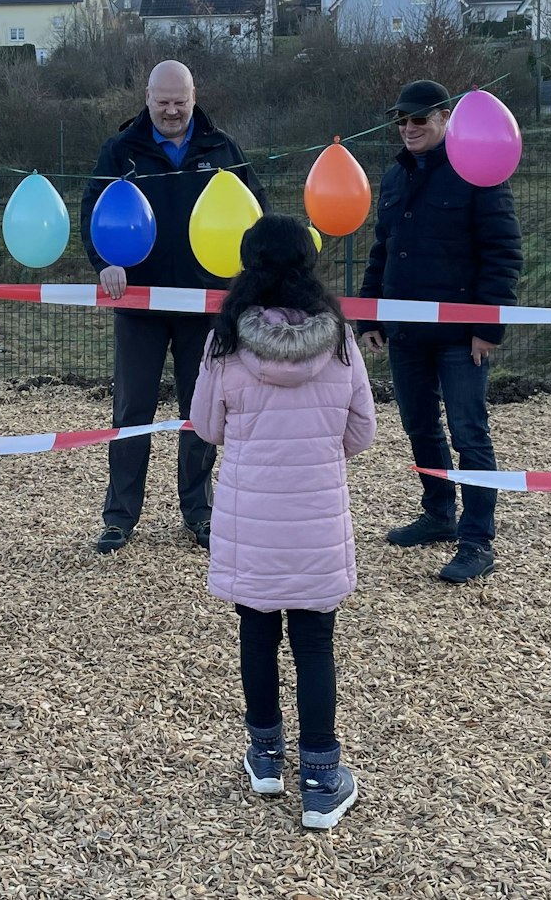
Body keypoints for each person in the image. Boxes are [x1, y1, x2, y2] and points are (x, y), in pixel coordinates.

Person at [191, 215, 376, 830]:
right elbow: (362, 432)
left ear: (247, 266)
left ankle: (266, 757)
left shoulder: (224, 344)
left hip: (251, 516)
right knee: (316, 642)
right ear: (308, 264)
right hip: (318, 514)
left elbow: (207, 428)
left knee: (256, 633)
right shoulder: (341, 341)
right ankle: (323, 777)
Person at [79, 59, 266, 554]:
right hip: (137, 302)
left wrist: (250, 276)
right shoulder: (121, 150)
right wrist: (103, 262)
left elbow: (255, 212)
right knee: (131, 410)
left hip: (206, 304)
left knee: (201, 412)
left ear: (193, 95)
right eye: (162, 102)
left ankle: (201, 513)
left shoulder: (222, 148)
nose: (171, 111)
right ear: (146, 97)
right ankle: (119, 518)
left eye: (180, 102)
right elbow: (92, 211)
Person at [356, 80, 524, 585]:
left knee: (470, 433)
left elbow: (502, 253)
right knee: (419, 426)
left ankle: (477, 539)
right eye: (402, 120)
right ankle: (438, 513)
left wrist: (487, 327)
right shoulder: (393, 178)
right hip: (405, 331)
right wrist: (370, 316)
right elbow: (381, 251)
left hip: (460, 336)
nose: (409, 128)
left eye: (419, 119)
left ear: (445, 118)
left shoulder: (479, 171)